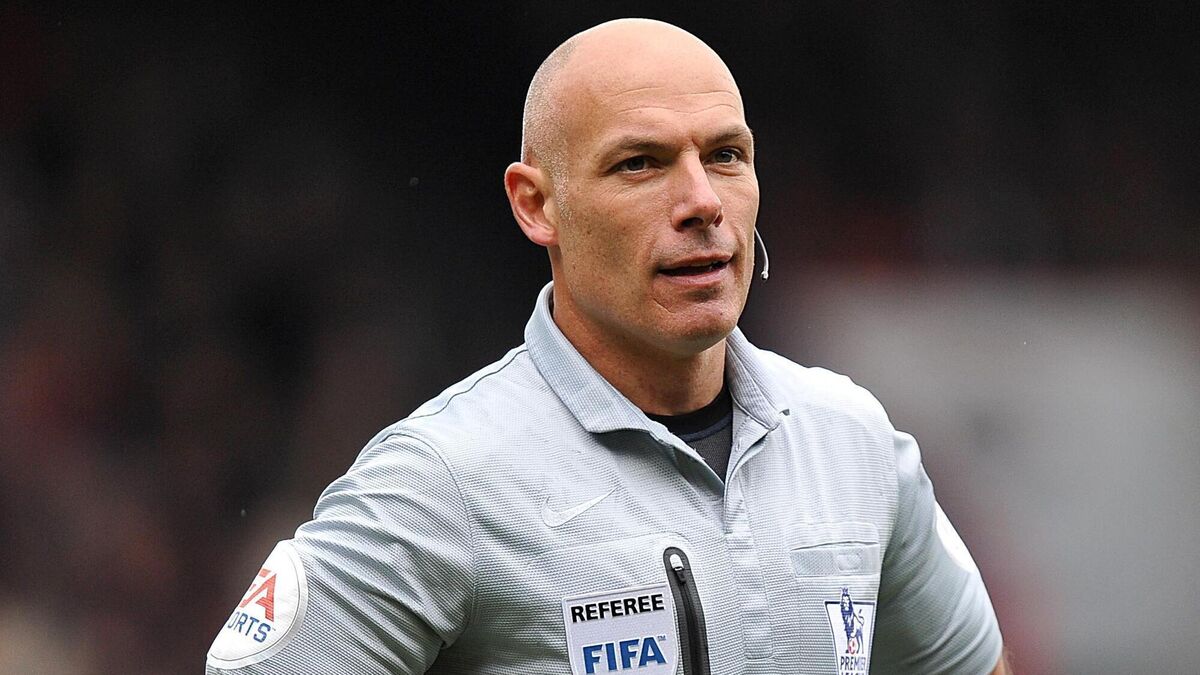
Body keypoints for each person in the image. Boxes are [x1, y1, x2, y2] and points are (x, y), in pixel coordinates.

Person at [206, 18, 1009, 675]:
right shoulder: (446, 479)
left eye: (725, 155)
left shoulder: (853, 443)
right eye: (641, 164)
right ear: (537, 205)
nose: (702, 201)